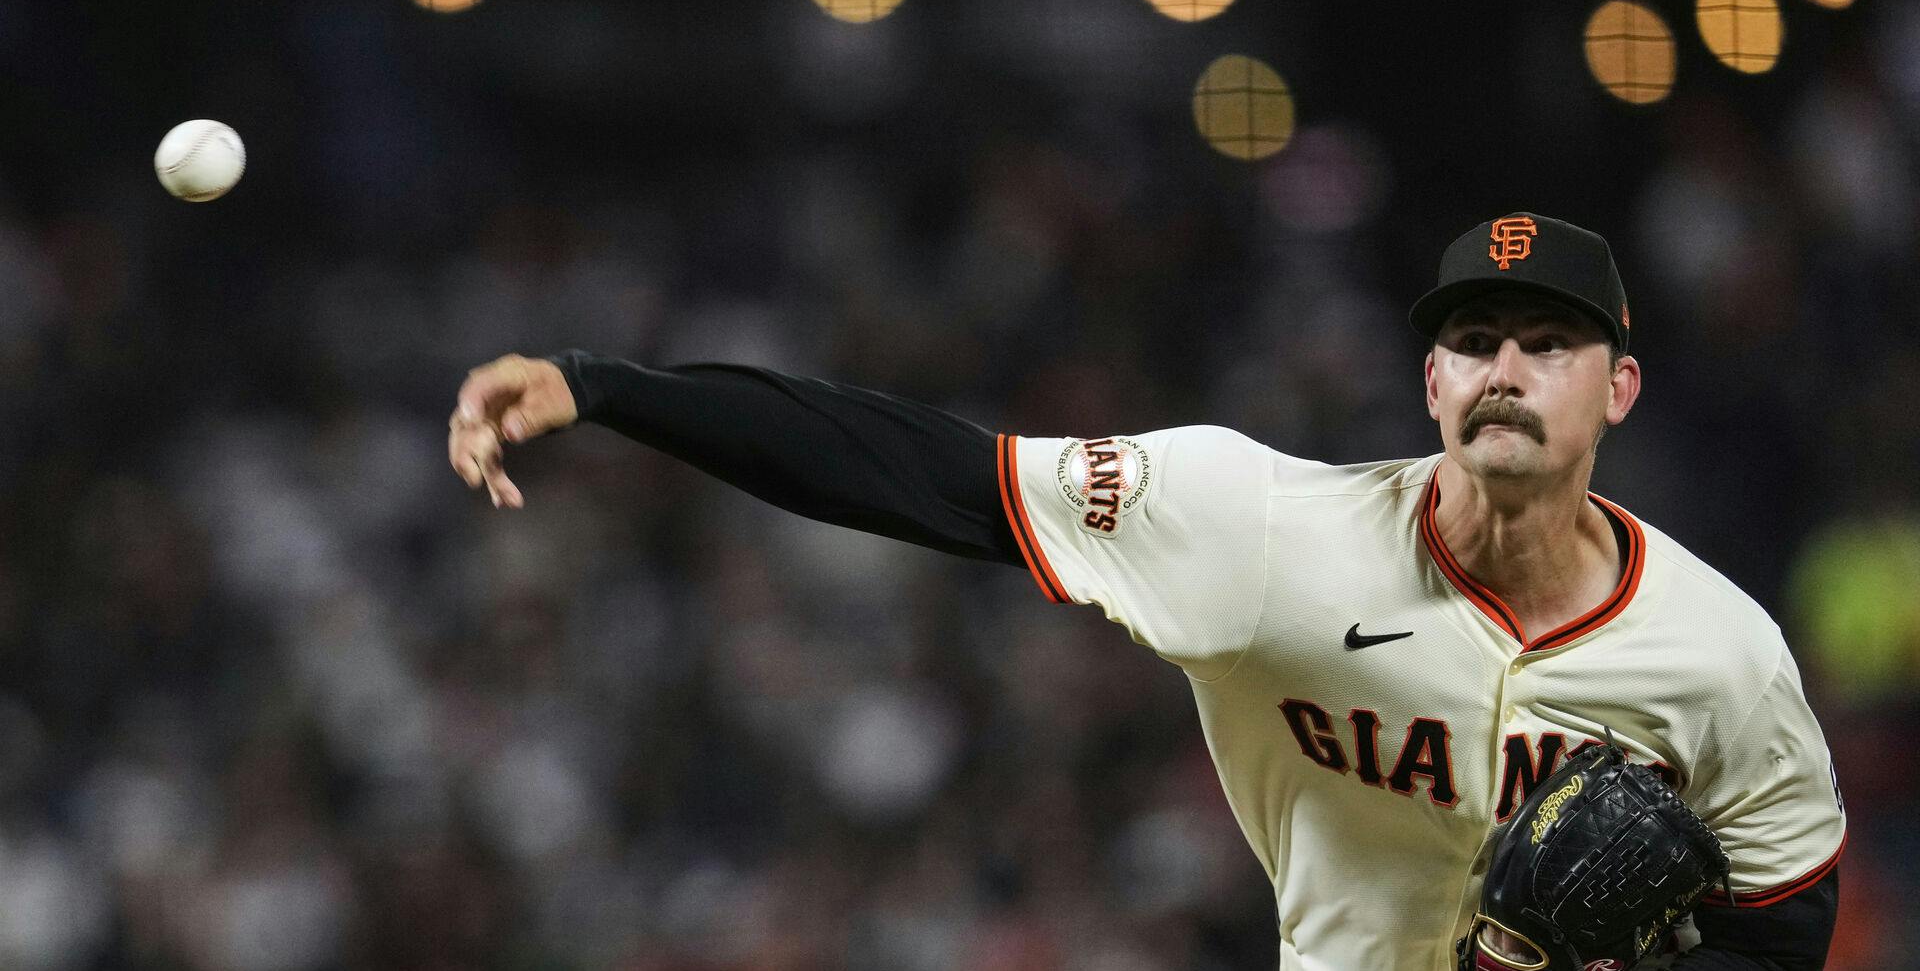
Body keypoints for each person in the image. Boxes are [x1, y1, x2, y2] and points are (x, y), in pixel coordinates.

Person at [447, 212, 1844, 970]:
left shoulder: (1721, 650)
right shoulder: (1254, 526)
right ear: (1430, 382)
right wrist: (608, 389)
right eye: (1473, 340)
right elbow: (923, 472)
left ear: (1622, 388)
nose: (1504, 369)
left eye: (1550, 344)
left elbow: (1788, 924)